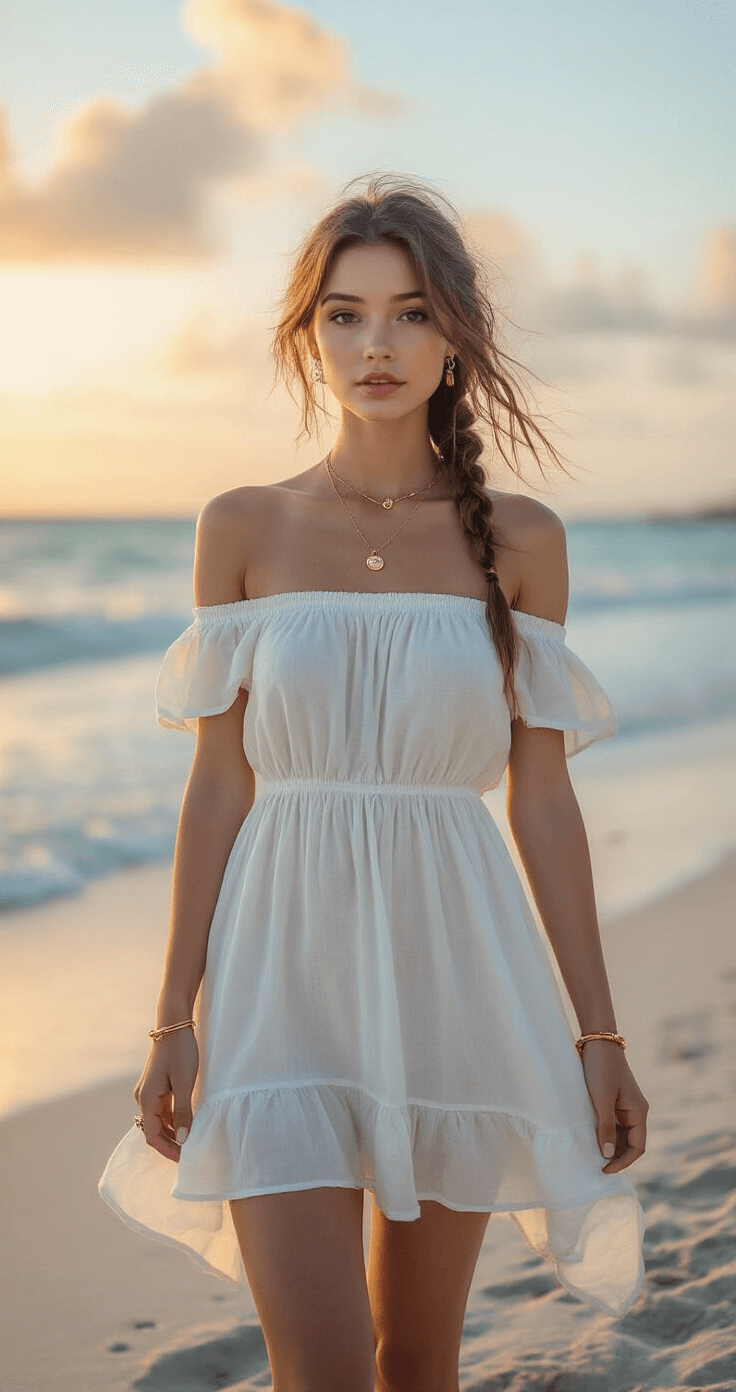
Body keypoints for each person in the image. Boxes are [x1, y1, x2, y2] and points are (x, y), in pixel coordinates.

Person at [100, 174, 649, 1392]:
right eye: (344, 315)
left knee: (417, 1364)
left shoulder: (524, 540)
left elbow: (542, 802)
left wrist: (597, 1034)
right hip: (276, 978)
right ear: (308, 334)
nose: (376, 347)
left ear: (456, 337)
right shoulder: (242, 525)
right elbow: (217, 788)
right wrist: (172, 1017)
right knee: (323, 1370)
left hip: (455, 969)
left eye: (409, 314)